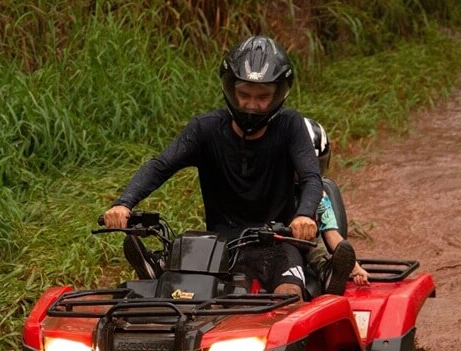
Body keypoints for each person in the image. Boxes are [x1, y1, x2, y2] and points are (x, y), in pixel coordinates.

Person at [103, 36, 322, 299]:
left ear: (278, 95)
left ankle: (320, 277)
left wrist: (303, 215)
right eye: (244, 95)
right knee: (183, 294)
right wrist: (124, 203)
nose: (252, 105)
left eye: (262, 97)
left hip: (278, 241)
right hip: (219, 245)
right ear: (230, 89)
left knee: (289, 295)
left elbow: (311, 177)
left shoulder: (290, 125)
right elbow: (160, 166)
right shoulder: (205, 129)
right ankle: (159, 266)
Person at [306, 190, 370, 295]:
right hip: (282, 244)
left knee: (310, 234)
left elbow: (331, 233)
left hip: (310, 248)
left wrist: (355, 268)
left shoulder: (319, 194)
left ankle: (327, 273)